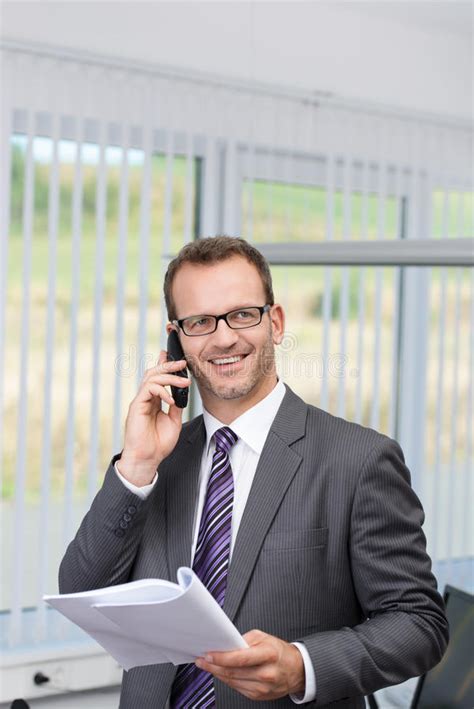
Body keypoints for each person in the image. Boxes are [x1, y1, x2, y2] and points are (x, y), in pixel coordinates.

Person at [59, 236, 448, 708]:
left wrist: (302, 664)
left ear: (276, 322)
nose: (224, 338)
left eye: (242, 314)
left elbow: (419, 623)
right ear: (176, 338)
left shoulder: (359, 460)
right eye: (200, 322)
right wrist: (137, 467)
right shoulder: (157, 461)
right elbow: (82, 592)